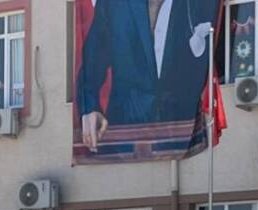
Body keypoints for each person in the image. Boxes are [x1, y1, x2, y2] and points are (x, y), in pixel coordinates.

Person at [77, 0, 220, 151]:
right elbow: (91, 66)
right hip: (125, 139)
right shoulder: (113, 4)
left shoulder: (199, 3)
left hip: (184, 135)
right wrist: (90, 108)